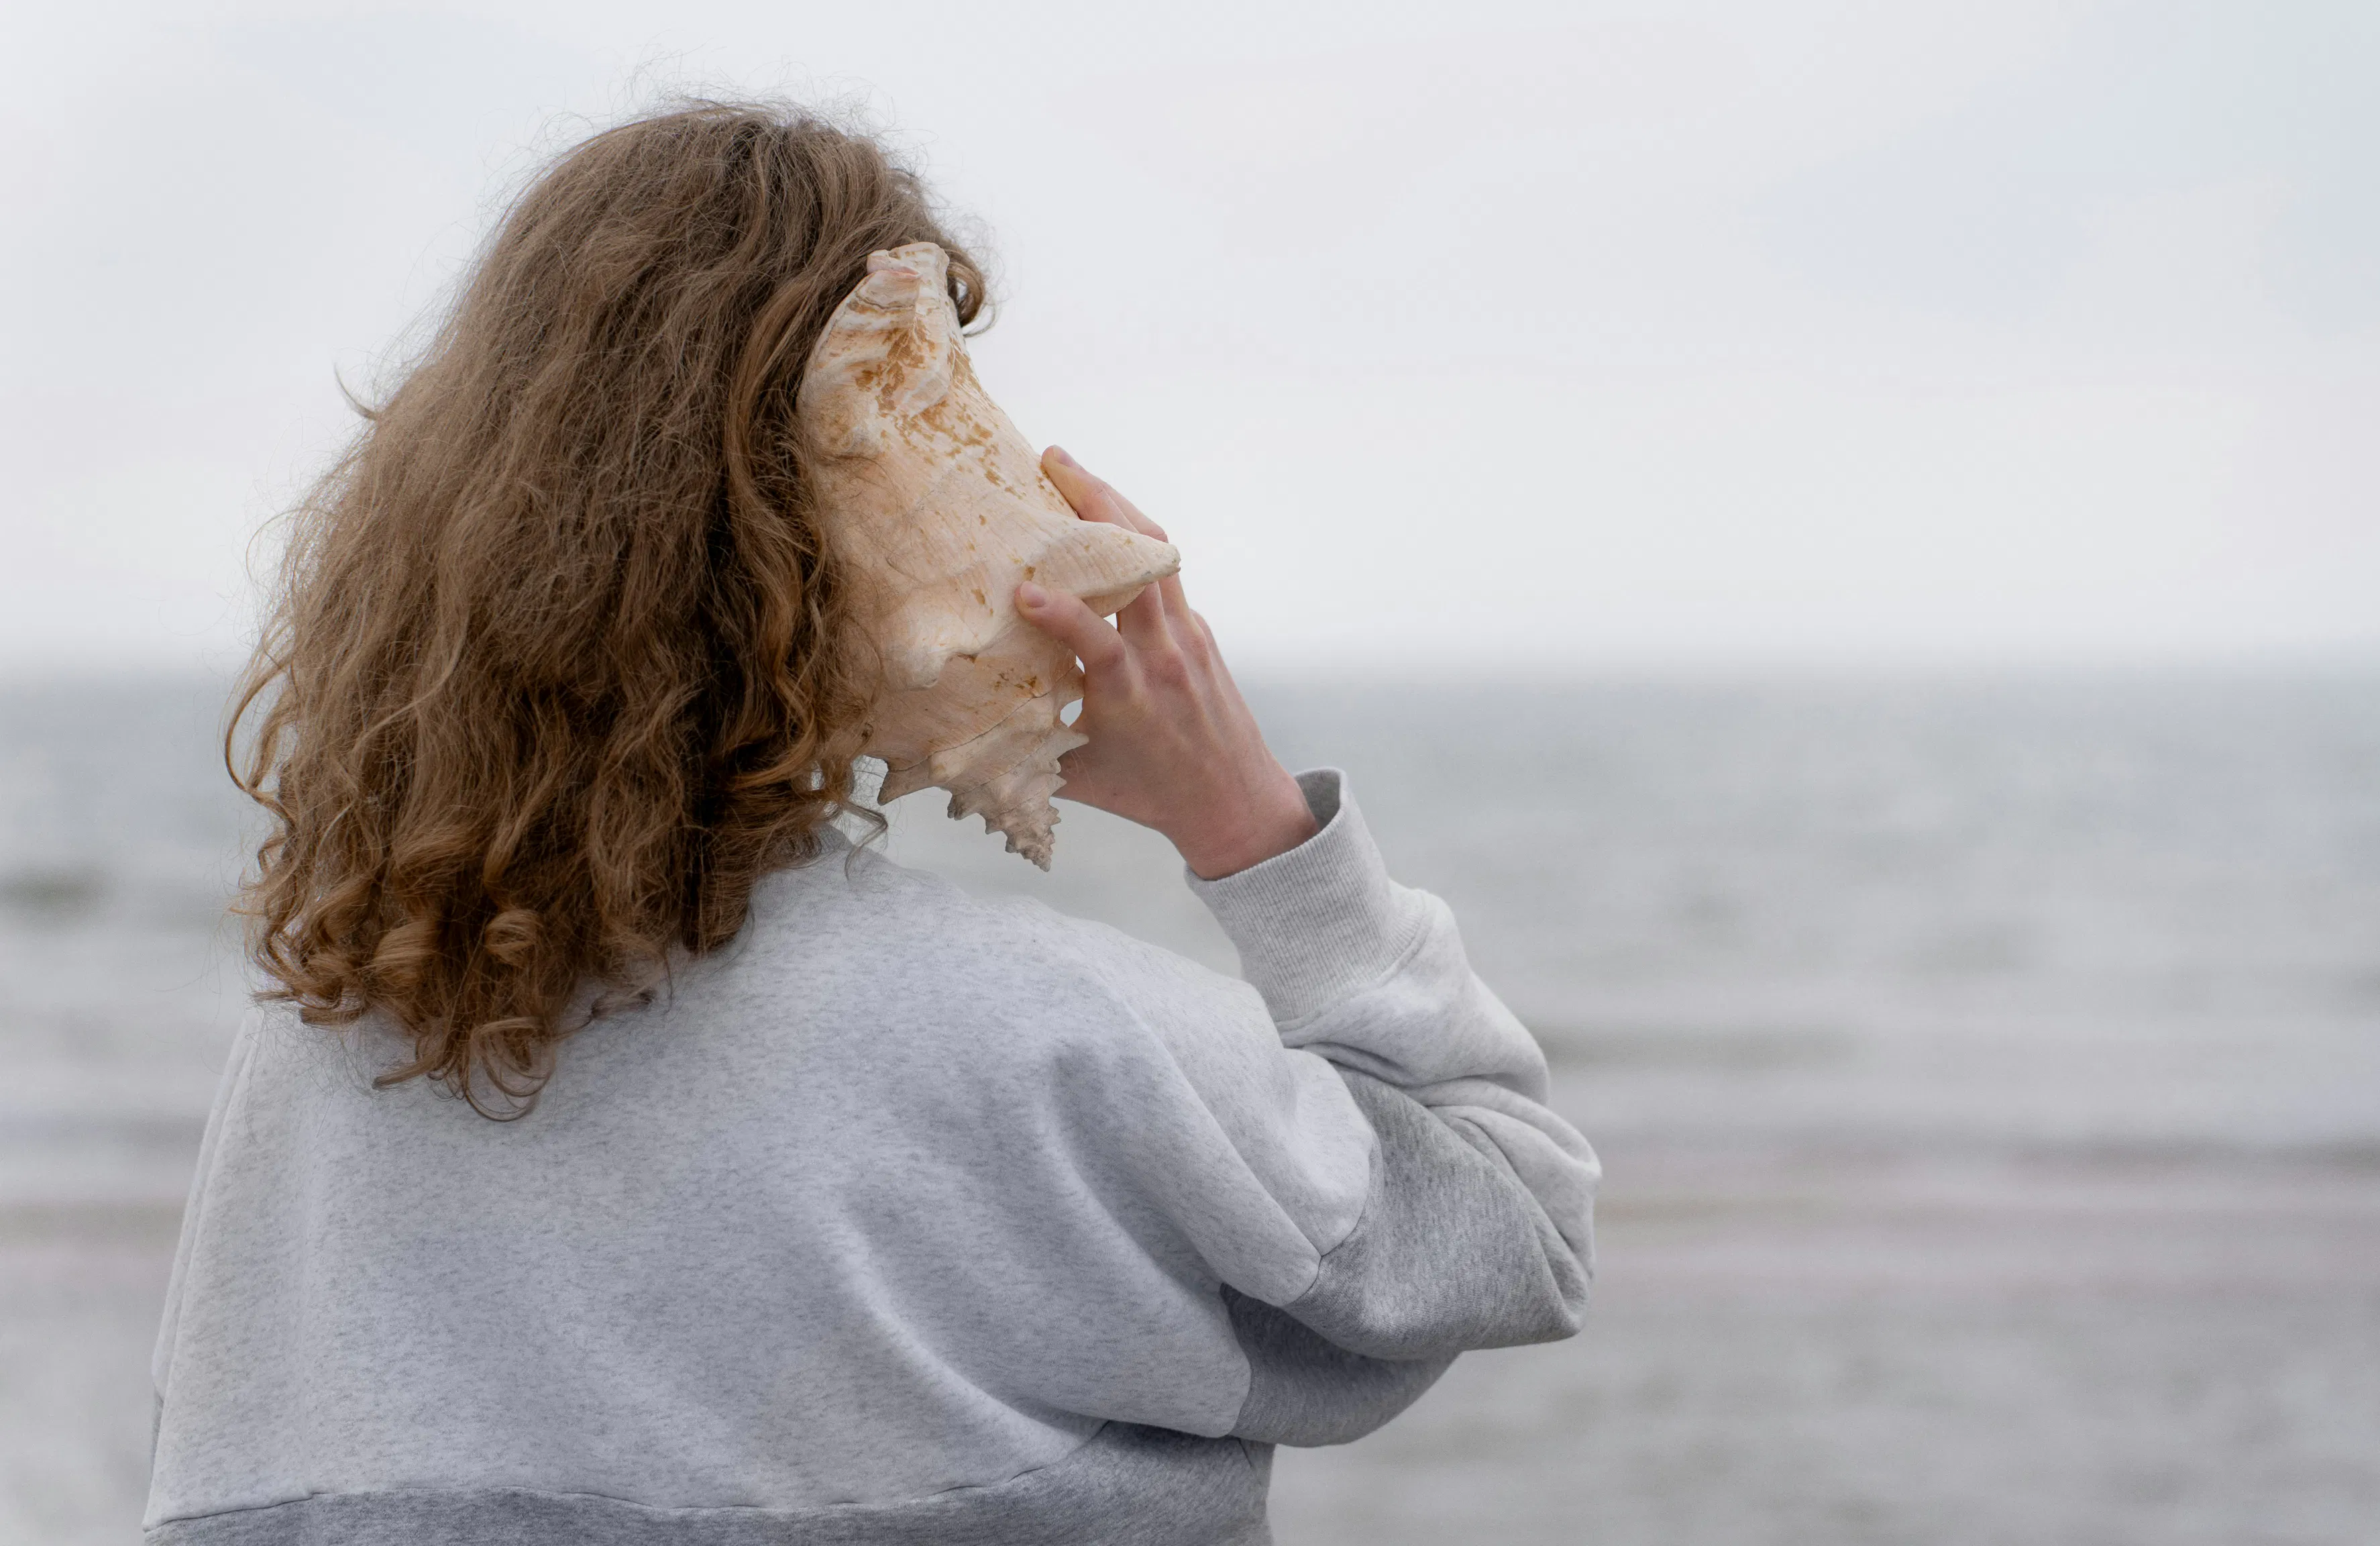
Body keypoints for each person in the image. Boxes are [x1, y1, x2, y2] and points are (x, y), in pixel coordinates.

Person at [144, 101, 1597, 1546]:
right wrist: (1257, 829)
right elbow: (1514, 1229)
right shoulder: (1039, 1044)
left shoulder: (319, 1053)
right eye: (935, 397)